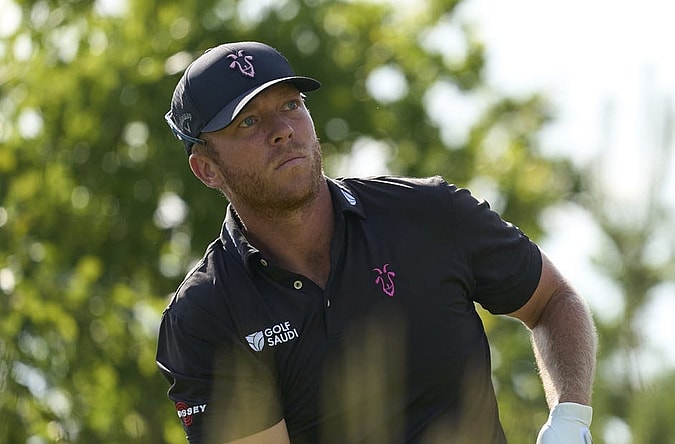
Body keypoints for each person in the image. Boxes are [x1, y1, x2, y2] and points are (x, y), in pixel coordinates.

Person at [156, 41, 596, 444]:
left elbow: (553, 300)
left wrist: (570, 419)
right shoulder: (205, 314)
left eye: (291, 104)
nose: (282, 130)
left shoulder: (429, 212)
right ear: (206, 169)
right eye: (248, 121)